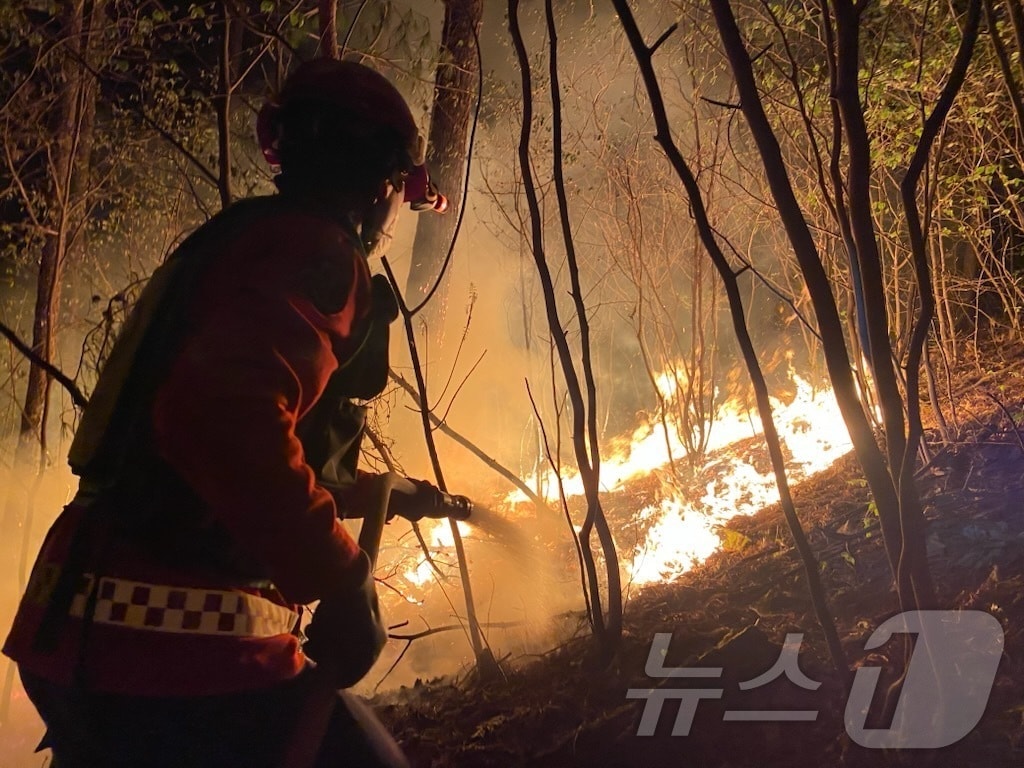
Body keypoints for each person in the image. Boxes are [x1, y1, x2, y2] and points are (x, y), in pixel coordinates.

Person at [3, 58, 453, 768]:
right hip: (180, 654)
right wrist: (338, 572)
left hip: (69, 634)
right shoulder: (321, 256)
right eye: (401, 191)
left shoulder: (237, 245)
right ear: (379, 185)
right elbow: (219, 418)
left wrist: (379, 495)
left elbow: (216, 457)